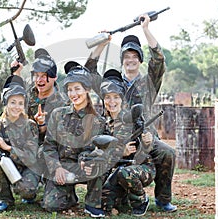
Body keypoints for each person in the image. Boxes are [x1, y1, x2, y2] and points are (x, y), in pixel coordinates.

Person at [85, 14, 177, 212]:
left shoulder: (149, 83)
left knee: (167, 152)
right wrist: (101, 44)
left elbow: (159, 59)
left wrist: (145, 29)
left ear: (140, 60)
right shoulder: (112, 86)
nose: (130, 60)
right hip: (116, 137)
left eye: (135, 56)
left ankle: (163, 199)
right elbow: (89, 71)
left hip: (144, 136)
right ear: (122, 61)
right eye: (126, 57)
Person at [42, 62, 106, 218]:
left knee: (98, 159)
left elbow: (93, 149)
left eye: (77, 89)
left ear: (87, 90)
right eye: (70, 89)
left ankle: (92, 203)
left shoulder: (97, 120)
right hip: (62, 169)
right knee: (51, 205)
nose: (73, 94)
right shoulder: (58, 114)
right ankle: (68, 195)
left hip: (83, 168)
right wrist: (56, 167)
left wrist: (86, 160)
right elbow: (48, 146)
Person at [0, 75, 42, 212]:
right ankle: (5, 199)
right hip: (12, 165)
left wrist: (8, 147)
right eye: (13, 102)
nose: (16, 107)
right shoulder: (1, 125)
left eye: (20, 103)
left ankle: (30, 188)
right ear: (6, 103)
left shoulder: (30, 125)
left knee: (26, 192)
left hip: (29, 167)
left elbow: (31, 158)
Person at [99, 69, 156, 216]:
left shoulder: (132, 117)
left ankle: (140, 200)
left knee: (126, 173)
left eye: (116, 97)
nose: (112, 102)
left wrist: (146, 142)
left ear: (122, 99)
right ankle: (123, 198)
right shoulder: (101, 122)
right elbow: (98, 151)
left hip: (140, 167)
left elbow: (146, 149)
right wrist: (120, 151)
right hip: (115, 169)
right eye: (108, 98)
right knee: (104, 204)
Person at [11, 49, 67, 145]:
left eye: (44, 76)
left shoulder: (63, 104)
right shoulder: (28, 93)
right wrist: (16, 72)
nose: (39, 80)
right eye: (36, 75)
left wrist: (42, 124)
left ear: (54, 77)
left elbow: (57, 139)